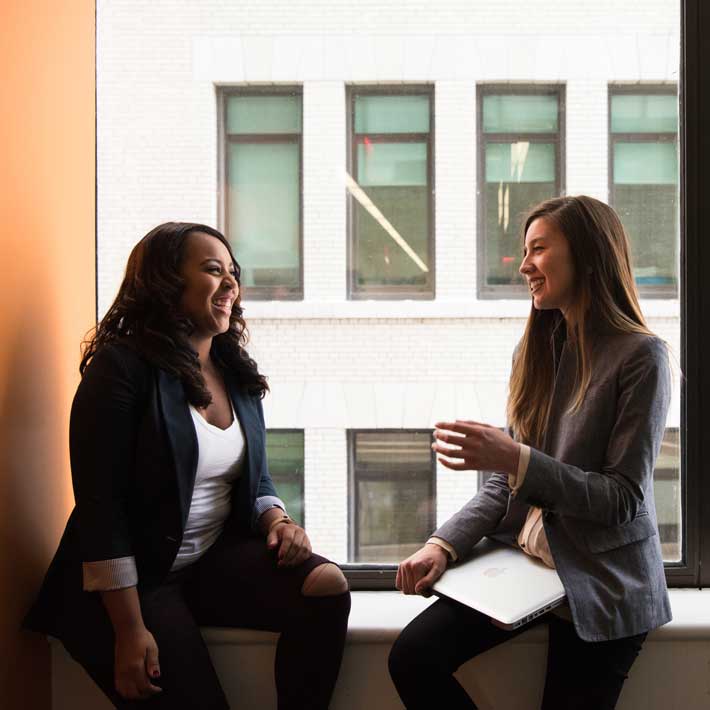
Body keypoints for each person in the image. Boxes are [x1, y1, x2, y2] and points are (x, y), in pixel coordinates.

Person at [24, 222, 351, 709]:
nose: (230, 284)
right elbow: (101, 509)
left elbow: (252, 475)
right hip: (131, 584)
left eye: (233, 273)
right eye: (213, 270)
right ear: (164, 282)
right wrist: (130, 631)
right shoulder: (120, 369)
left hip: (202, 562)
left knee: (326, 587)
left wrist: (277, 518)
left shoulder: (232, 370)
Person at [389, 196, 672, 710]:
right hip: (528, 566)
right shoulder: (536, 350)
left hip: (602, 580)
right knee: (411, 656)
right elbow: (506, 483)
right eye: (525, 252)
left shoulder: (641, 356)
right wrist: (442, 545)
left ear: (587, 256)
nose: (523, 266)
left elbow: (622, 499)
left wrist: (515, 460)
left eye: (538, 250)